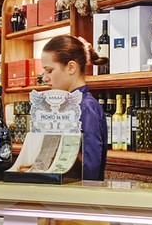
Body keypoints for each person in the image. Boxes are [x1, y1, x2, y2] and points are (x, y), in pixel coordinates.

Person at [41, 35, 107, 180]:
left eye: (49, 70)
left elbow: (90, 167)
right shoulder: (68, 106)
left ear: (71, 67)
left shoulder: (86, 108)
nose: (45, 78)